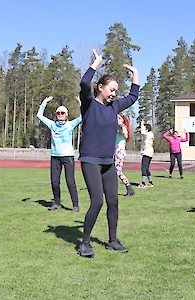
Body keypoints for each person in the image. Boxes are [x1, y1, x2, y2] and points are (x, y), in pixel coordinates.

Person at [77, 49, 139, 257]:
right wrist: (97, 62)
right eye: (110, 90)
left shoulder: (114, 108)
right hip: (90, 160)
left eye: (115, 91)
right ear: (100, 87)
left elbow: (133, 96)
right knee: (97, 201)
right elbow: (85, 83)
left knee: (113, 201)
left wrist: (135, 74)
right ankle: (85, 242)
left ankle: (112, 240)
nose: (113, 94)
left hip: (107, 162)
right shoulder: (89, 104)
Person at [36, 96, 82, 212]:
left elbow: (84, 116)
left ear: (66, 115)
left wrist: (80, 102)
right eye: (58, 113)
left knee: (70, 181)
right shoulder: (52, 125)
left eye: (62, 113)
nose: (60, 114)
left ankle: (75, 205)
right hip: (55, 157)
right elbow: (39, 116)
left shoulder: (70, 125)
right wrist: (44, 103)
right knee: (54, 182)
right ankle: (57, 203)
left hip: (68, 156)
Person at [115, 114, 135, 196]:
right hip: (117, 151)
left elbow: (122, 129)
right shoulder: (117, 129)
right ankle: (129, 188)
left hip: (119, 151)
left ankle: (128, 187)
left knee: (115, 171)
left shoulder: (123, 129)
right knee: (117, 172)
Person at [136, 120, 154, 188]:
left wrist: (142, 124)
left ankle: (143, 183)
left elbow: (143, 132)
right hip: (149, 152)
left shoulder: (148, 134)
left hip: (147, 153)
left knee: (143, 168)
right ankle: (150, 182)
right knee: (146, 168)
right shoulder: (150, 134)